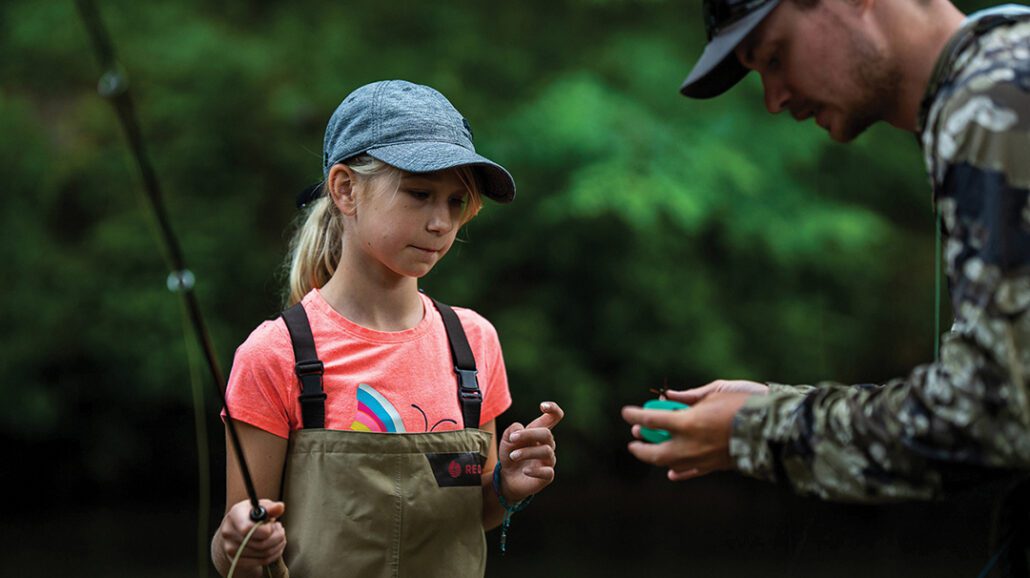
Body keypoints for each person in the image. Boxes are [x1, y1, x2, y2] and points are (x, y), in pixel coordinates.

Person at [623, 0, 1030, 500]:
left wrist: (754, 429)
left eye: (774, 56)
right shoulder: (1004, 76)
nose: (773, 99)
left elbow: (990, 416)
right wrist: (777, 403)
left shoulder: (992, 104)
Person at [210, 80, 563, 578]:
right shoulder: (274, 354)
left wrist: (507, 485)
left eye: (456, 202)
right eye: (419, 194)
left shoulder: (475, 343)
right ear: (345, 189)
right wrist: (239, 542)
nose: (441, 222)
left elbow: (475, 513)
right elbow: (238, 551)